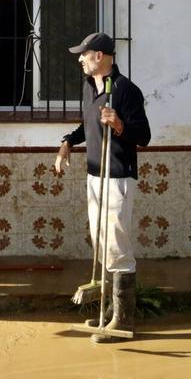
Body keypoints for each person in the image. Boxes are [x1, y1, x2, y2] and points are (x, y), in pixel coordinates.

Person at [53, 32, 151, 342]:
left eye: (84, 54)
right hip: (95, 175)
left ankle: (123, 321)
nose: (80, 60)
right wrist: (68, 142)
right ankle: (109, 312)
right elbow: (88, 126)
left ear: (100, 56)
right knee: (102, 243)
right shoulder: (89, 88)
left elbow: (143, 136)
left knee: (118, 246)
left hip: (118, 176)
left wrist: (119, 124)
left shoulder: (126, 90)